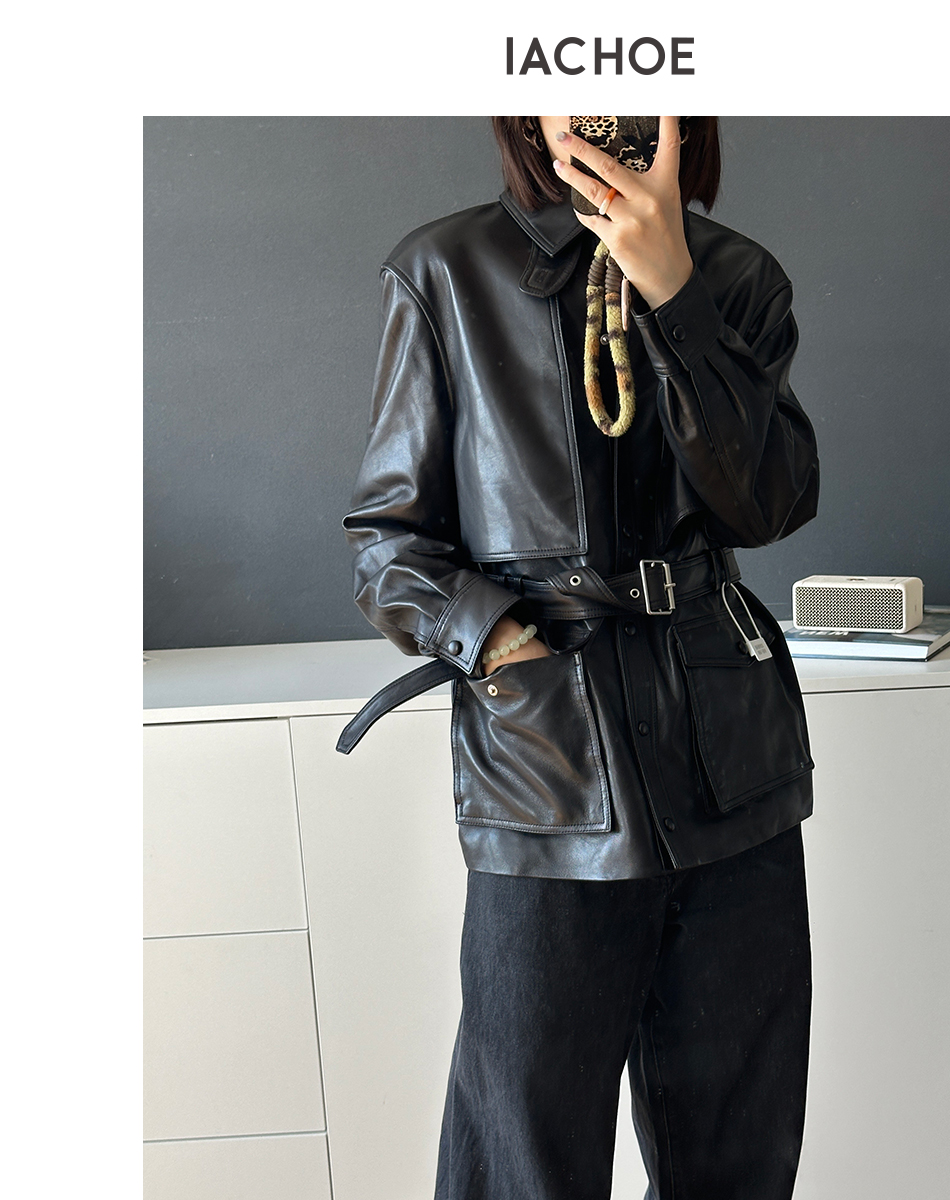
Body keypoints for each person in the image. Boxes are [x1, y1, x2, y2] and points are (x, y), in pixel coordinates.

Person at [341, 115, 821, 1200]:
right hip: (549, 768)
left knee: (738, 1160)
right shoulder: (444, 271)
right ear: (528, 108)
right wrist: (494, 638)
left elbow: (770, 502)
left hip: (729, 760)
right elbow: (388, 541)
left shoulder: (738, 276)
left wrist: (675, 297)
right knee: (525, 1156)